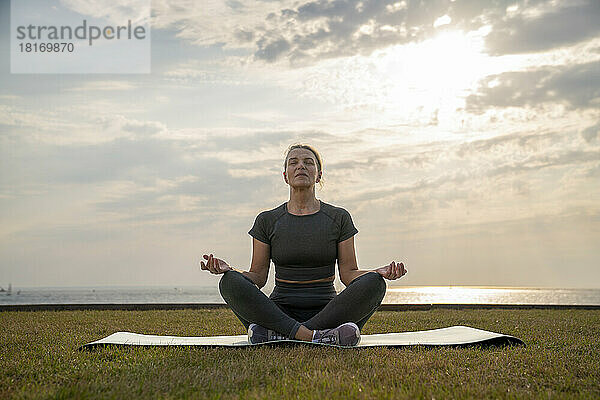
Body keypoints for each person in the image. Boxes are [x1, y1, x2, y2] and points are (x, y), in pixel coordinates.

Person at [200, 144, 407, 346]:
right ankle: (316, 337)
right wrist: (230, 270)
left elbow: (348, 274)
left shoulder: (339, 217)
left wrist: (376, 272)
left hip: (328, 312)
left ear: (318, 175)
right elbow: (258, 277)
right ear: (285, 176)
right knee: (229, 282)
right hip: (279, 311)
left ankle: (281, 335)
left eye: (308, 162)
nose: (301, 166)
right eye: (294, 163)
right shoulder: (267, 220)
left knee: (375, 284)